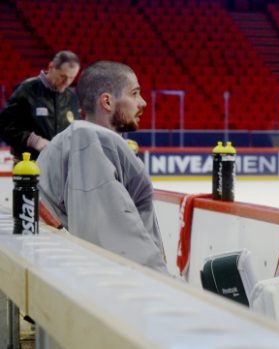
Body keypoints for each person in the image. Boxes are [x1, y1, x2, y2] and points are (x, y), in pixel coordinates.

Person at [36, 61, 168, 273]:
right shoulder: (91, 143)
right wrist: (166, 285)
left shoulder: (77, 140)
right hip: (125, 287)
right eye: (134, 94)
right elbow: (114, 239)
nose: (142, 102)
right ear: (107, 102)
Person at [0, 50, 80, 160]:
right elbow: (4, 126)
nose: (66, 82)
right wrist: (32, 140)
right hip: (29, 164)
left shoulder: (71, 97)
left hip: (60, 165)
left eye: (72, 78)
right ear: (51, 67)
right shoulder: (26, 90)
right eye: (63, 76)